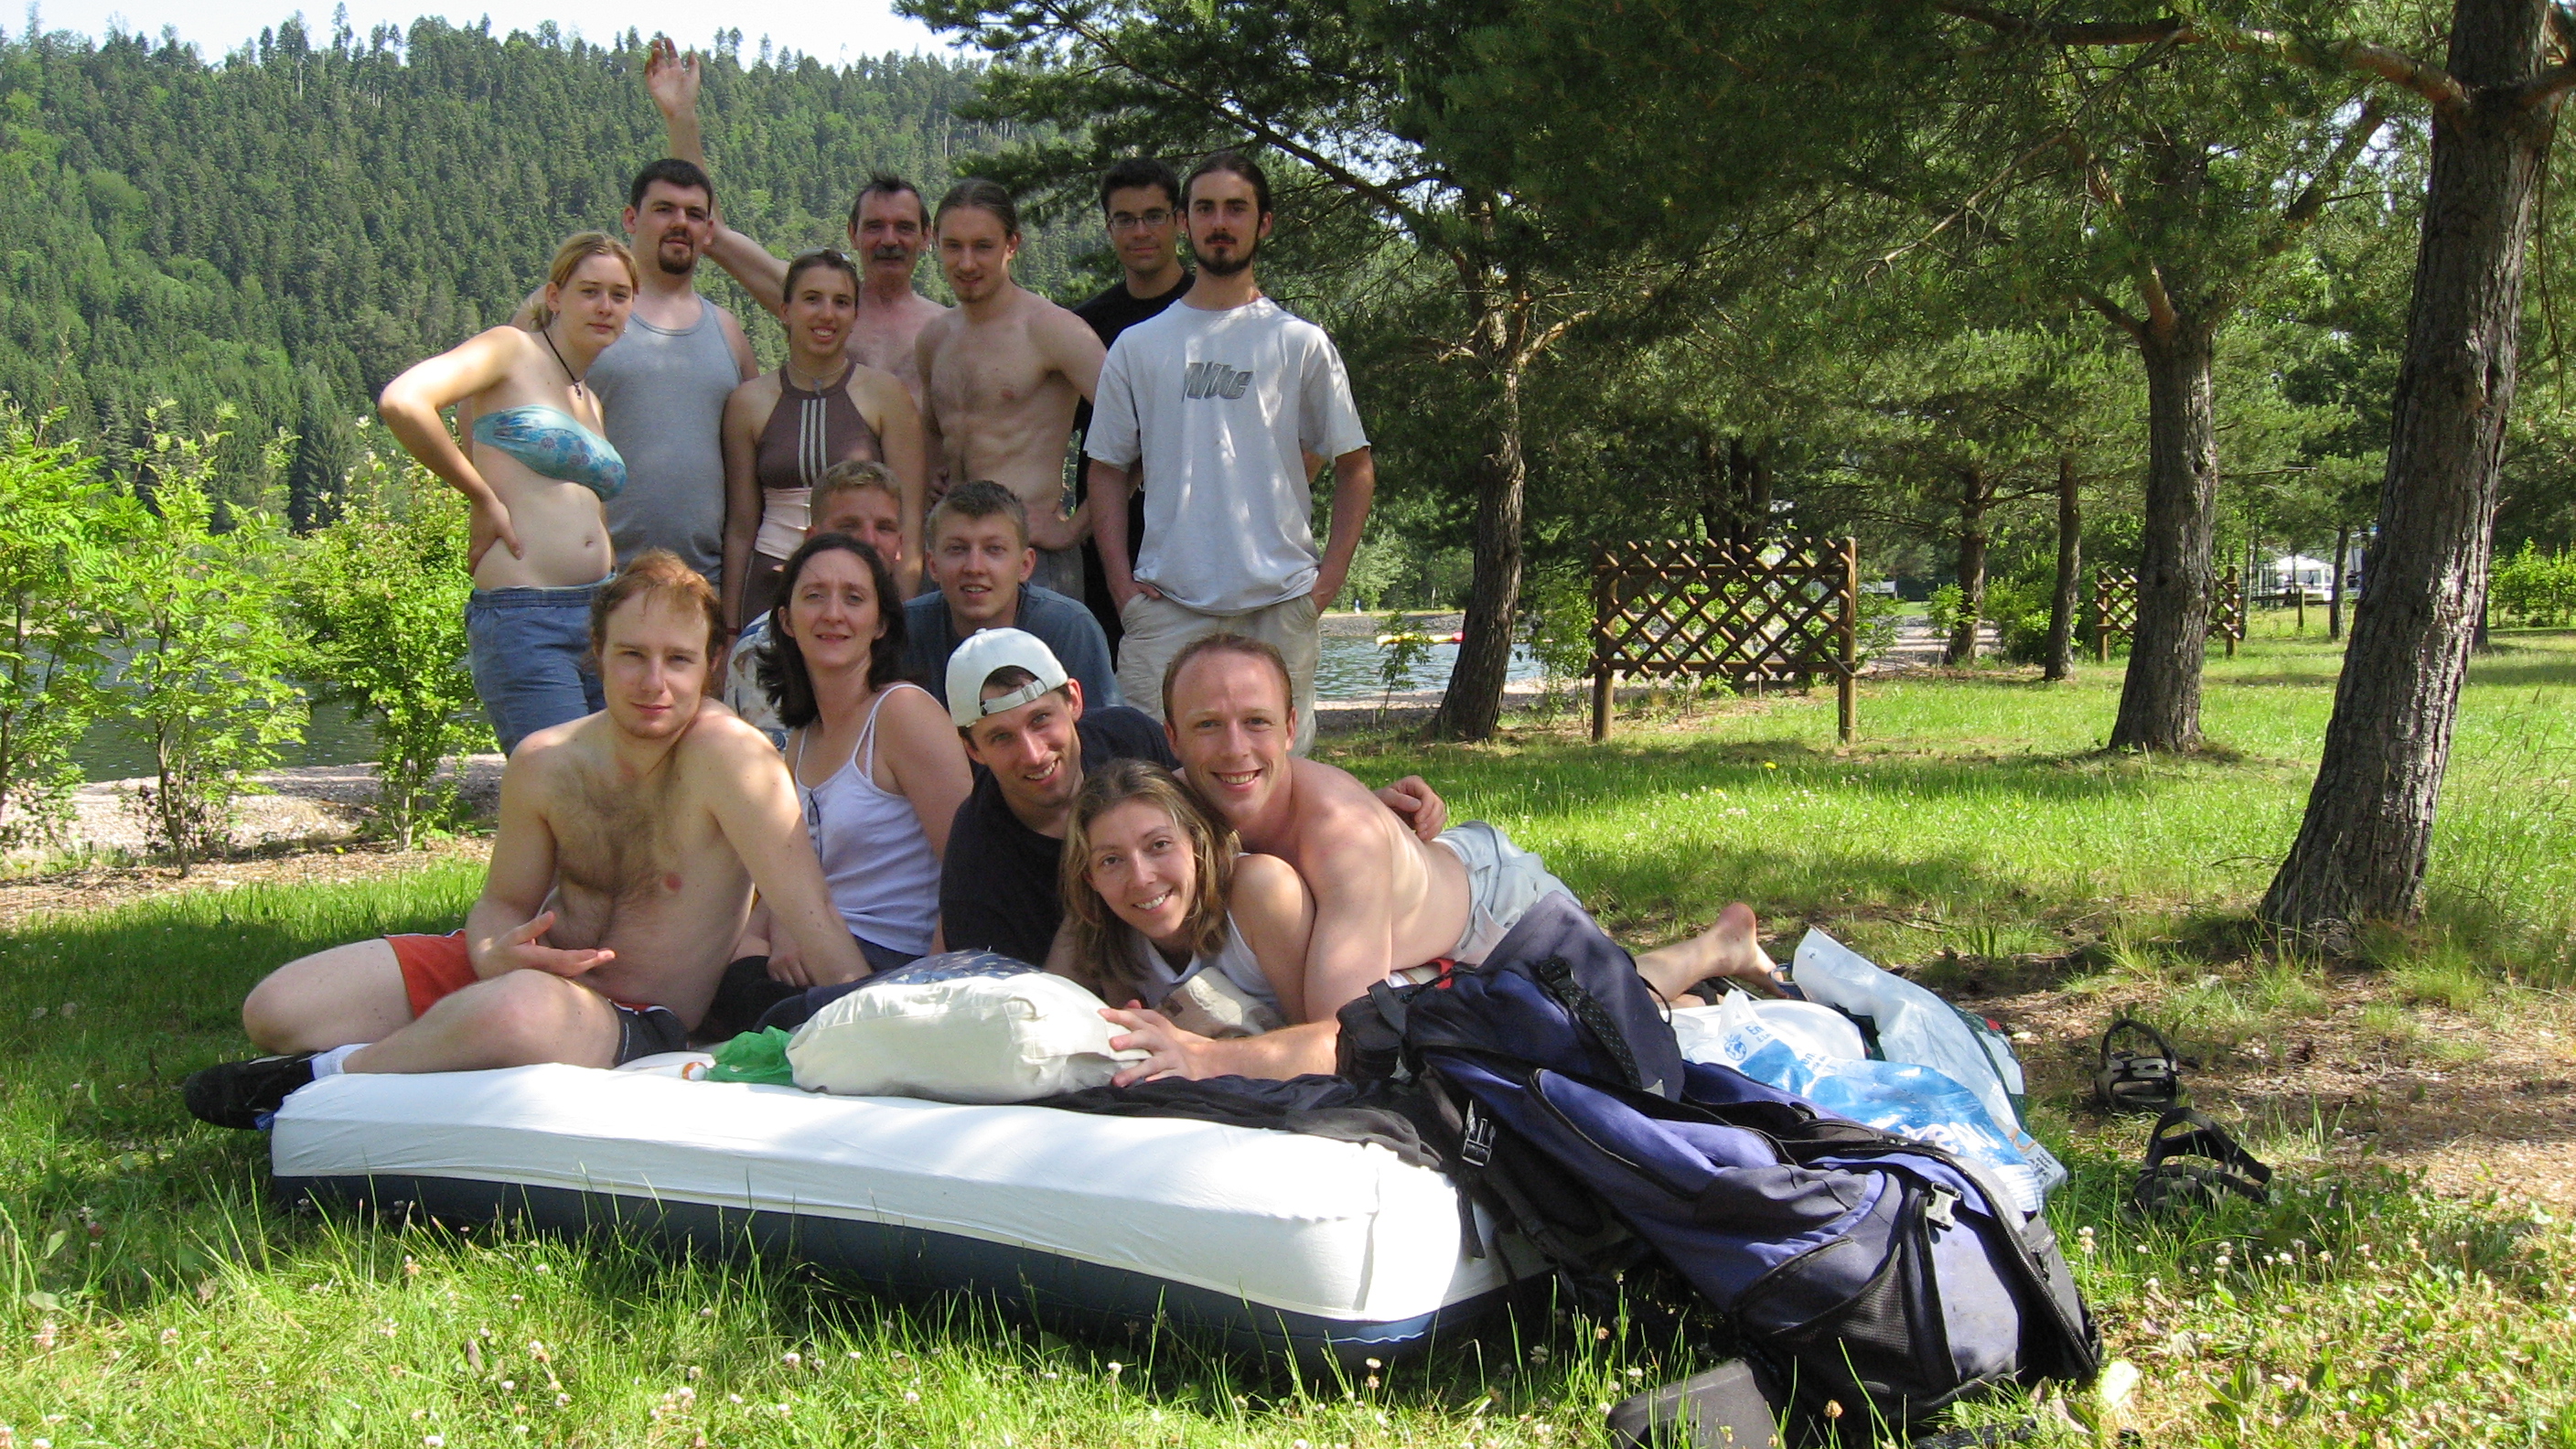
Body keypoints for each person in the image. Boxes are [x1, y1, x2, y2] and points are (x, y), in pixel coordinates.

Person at [182, 554, 870, 1128]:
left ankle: (317, 1082)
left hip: (628, 1012)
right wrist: (491, 952)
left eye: (678, 660)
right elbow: (502, 904)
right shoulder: (546, 760)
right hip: (516, 977)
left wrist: (875, 1028)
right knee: (279, 1007)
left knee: (517, 1012)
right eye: (632, 655)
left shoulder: (733, 761)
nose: (654, 683)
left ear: (711, 665)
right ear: (597, 653)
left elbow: (812, 916)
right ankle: (433, 1046)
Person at [1101, 635, 1781, 1083]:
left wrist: (1206, 1058)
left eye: (1256, 722)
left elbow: (1347, 1041)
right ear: (1173, 739)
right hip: (1407, 922)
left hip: (1496, 910)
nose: (1233, 749)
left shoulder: (1342, 836)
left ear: (1290, 728)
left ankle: (1718, 947)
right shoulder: (1169, 809)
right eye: (1208, 726)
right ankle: (1697, 974)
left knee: (1602, 1013)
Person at [1086, 151, 1374, 757]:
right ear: (1184, 223)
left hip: (1279, 603)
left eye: (1236, 209)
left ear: (1263, 223)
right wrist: (1121, 589)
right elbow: (1106, 469)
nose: (1220, 223)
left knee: (1276, 780)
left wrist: (1323, 588)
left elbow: (1355, 466)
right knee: (1157, 774)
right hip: (1166, 606)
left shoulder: (1300, 343)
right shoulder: (1139, 346)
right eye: (1206, 208)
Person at [938, 629, 1446, 968]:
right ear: (971, 750)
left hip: (1443, 907)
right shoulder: (977, 857)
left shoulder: (1127, 742)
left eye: (1041, 720)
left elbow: (1230, 785)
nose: (1032, 753)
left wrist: (1361, 805)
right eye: (1001, 737)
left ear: (1074, 700)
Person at [704, 532, 972, 1036]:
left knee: (763, 1011)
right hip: (811, 951)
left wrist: (925, 993)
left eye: (853, 598)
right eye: (814, 596)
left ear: (880, 623)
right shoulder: (802, 739)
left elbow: (969, 869)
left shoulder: (902, 714)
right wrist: (775, 936)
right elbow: (789, 874)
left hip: (893, 964)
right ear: (786, 620)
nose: (833, 614)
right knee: (721, 980)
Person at [381, 232, 638, 755]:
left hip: (600, 614)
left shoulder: (588, 399)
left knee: (612, 785)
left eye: (620, 295)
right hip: (527, 616)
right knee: (561, 783)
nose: (605, 306)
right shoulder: (510, 349)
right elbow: (404, 402)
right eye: (590, 291)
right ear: (554, 296)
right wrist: (480, 497)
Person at [646, 38, 947, 412]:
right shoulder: (813, 298)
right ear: (852, 234)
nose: (889, 240)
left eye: (904, 227)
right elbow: (714, 236)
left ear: (926, 236)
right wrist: (682, 117)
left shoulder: (946, 328)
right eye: (874, 226)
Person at [914, 179, 1106, 599]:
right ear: (936, 243)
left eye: (982, 246)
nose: (966, 262)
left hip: (1031, 554)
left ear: (1011, 245)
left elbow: (1144, 429)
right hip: (952, 551)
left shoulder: (1051, 330)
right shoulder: (934, 339)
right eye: (953, 246)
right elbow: (932, 432)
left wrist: (1075, 527)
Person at [722, 248, 928, 622]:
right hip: (770, 591)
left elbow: (910, 520)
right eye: (812, 299)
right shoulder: (748, 403)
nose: (827, 314)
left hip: (862, 592)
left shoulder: (886, 396)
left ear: (855, 315)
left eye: (841, 302)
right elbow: (740, 527)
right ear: (785, 310)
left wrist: (901, 613)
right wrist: (732, 624)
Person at [581, 158, 761, 587]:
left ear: (708, 231)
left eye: (694, 214)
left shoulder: (728, 332)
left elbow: (756, 456)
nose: (680, 223)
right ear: (631, 219)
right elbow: (494, 399)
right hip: (594, 581)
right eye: (664, 209)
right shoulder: (586, 314)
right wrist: (492, 504)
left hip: (703, 583)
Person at [1056, 757, 1309, 1036]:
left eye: (1159, 845)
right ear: (1090, 878)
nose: (1141, 878)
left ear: (1196, 840)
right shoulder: (1110, 932)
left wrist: (1196, 1054)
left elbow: (1328, 1043)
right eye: (1111, 860)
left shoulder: (1262, 889)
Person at [1072, 157, 1194, 649]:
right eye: (1125, 219)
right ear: (1109, 227)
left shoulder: (1216, 310)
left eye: (1154, 216)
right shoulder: (1084, 327)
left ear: (1179, 221)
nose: (1140, 231)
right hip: (1109, 557)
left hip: (1199, 549)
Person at [726, 460, 907, 744]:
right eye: (849, 526)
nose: (869, 540)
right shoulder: (761, 647)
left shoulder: (920, 631)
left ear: (900, 544)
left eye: (884, 528)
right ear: (813, 538)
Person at [900, 481, 1118, 715]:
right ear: (933, 566)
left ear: (1025, 565)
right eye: (957, 549)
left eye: (994, 549)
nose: (974, 567)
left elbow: (1103, 728)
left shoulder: (1068, 628)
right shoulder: (905, 629)